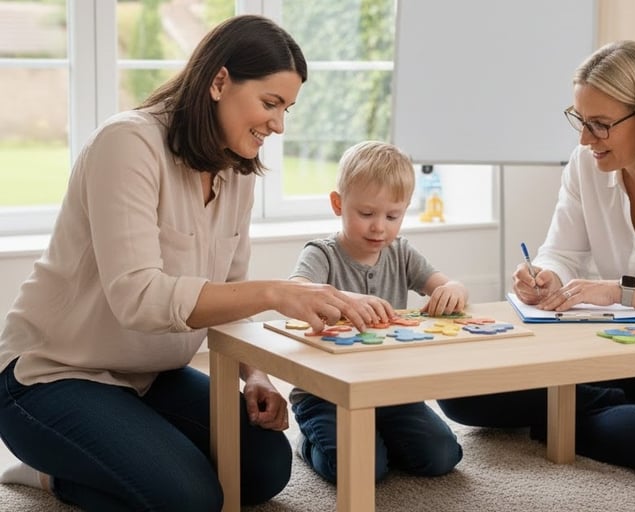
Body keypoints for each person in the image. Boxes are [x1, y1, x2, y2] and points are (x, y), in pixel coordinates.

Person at [0, 15, 380, 511]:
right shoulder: (128, 144)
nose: (279, 124)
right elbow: (137, 298)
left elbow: (231, 294)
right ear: (219, 81)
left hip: (150, 375)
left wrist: (256, 376)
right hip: (52, 377)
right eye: (270, 104)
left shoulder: (238, 169)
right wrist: (278, 292)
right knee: (193, 500)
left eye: (287, 108)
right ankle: (52, 474)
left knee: (265, 468)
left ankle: (115, 452)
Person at [438, 40, 635, 478]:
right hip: (602, 347)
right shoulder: (584, 164)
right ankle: (613, 409)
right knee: (461, 394)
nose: (585, 139)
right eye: (580, 121)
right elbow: (562, 252)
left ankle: (561, 422)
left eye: (600, 125)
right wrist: (546, 275)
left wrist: (620, 291)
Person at [288, 140, 467, 483]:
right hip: (325, 395)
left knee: (443, 455)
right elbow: (297, 293)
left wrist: (453, 290)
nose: (379, 227)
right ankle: (309, 444)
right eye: (366, 214)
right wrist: (344, 298)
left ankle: (380, 443)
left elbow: (449, 284)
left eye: (392, 216)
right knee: (363, 470)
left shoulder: (401, 252)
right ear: (338, 204)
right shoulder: (320, 254)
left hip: (390, 389)